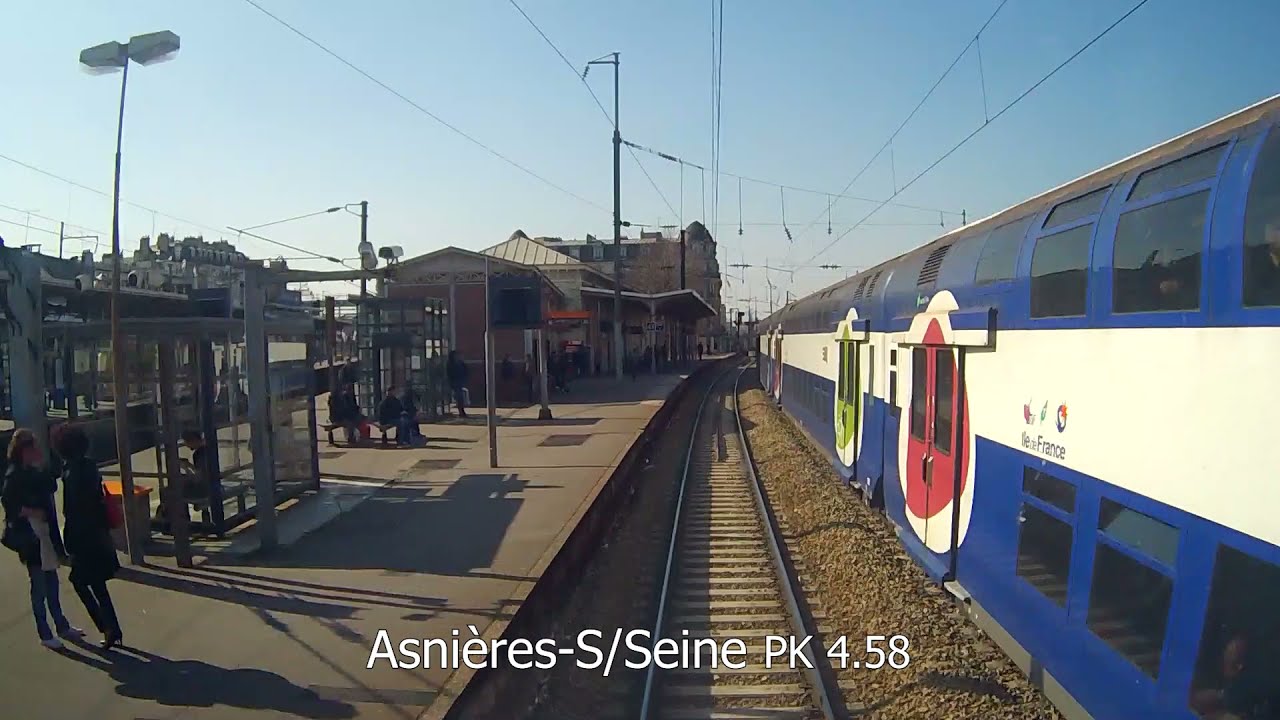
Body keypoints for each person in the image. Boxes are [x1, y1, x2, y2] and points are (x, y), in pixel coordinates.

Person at [1, 428, 83, 649]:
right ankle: (45, 633)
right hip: (30, 537)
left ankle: (62, 626)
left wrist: (41, 465)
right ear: (23, 450)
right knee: (39, 587)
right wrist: (30, 511)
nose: (37, 450)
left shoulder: (33, 471)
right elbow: (9, 504)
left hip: (44, 534)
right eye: (33, 447)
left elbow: (51, 484)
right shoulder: (14, 475)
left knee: (52, 583)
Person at [55, 424, 123, 649]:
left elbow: (70, 510)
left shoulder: (71, 473)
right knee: (97, 583)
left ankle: (107, 627)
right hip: (97, 534)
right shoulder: (89, 466)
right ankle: (111, 628)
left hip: (82, 537)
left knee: (80, 581)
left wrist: (68, 542)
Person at [446, 351, 469, 418]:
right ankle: (461, 411)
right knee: (459, 397)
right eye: (456, 355)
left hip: (460, 382)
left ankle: (461, 411)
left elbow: (466, 370)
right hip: (455, 382)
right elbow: (449, 374)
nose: (457, 356)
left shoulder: (460, 363)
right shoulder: (451, 364)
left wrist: (465, 378)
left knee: (460, 397)